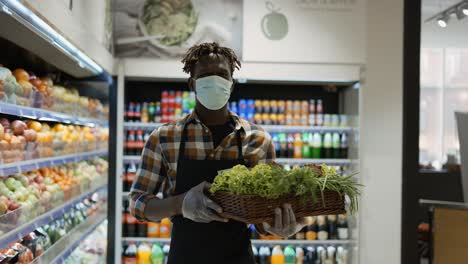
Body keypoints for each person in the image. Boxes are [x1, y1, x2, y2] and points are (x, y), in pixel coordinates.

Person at [129, 42, 305, 264]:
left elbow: (262, 216)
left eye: (222, 74)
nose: (214, 80)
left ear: (231, 84)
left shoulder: (257, 139)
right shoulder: (164, 138)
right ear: (192, 84)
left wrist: (277, 225)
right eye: (205, 75)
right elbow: (137, 203)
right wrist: (180, 203)